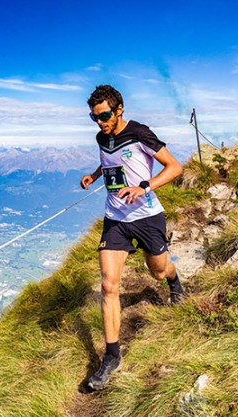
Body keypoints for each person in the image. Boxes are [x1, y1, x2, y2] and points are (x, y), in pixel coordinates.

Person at [80, 84, 185, 390]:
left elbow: (174, 167)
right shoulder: (101, 136)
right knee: (109, 285)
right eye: (94, 117)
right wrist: (95, 175)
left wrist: (144, 186)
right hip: (115, 219)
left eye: (104, 115)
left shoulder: (140, 133)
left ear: (119, 109)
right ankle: (112, 356)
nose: (100, 122)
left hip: (147, 217)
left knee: (158, 270)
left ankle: (173, 279)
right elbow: (109, 159)